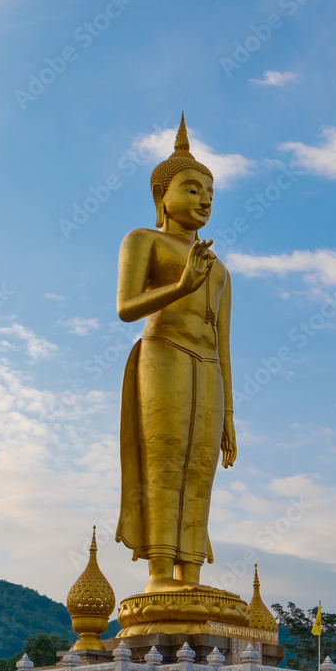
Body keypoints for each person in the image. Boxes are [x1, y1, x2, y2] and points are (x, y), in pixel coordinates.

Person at [116, 115, 236, 593]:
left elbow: (222, 343)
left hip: (208, 368)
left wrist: (229, 412)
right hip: (163, 350)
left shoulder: (219, 268)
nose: (204, 199)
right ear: (160, 196)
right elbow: (126, 308)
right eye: (191, 189)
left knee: (200, 464)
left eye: (209, 192)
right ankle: (159, 573)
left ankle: (191, 573)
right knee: (165, 459)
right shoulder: (143, 240)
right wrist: (181, 285)